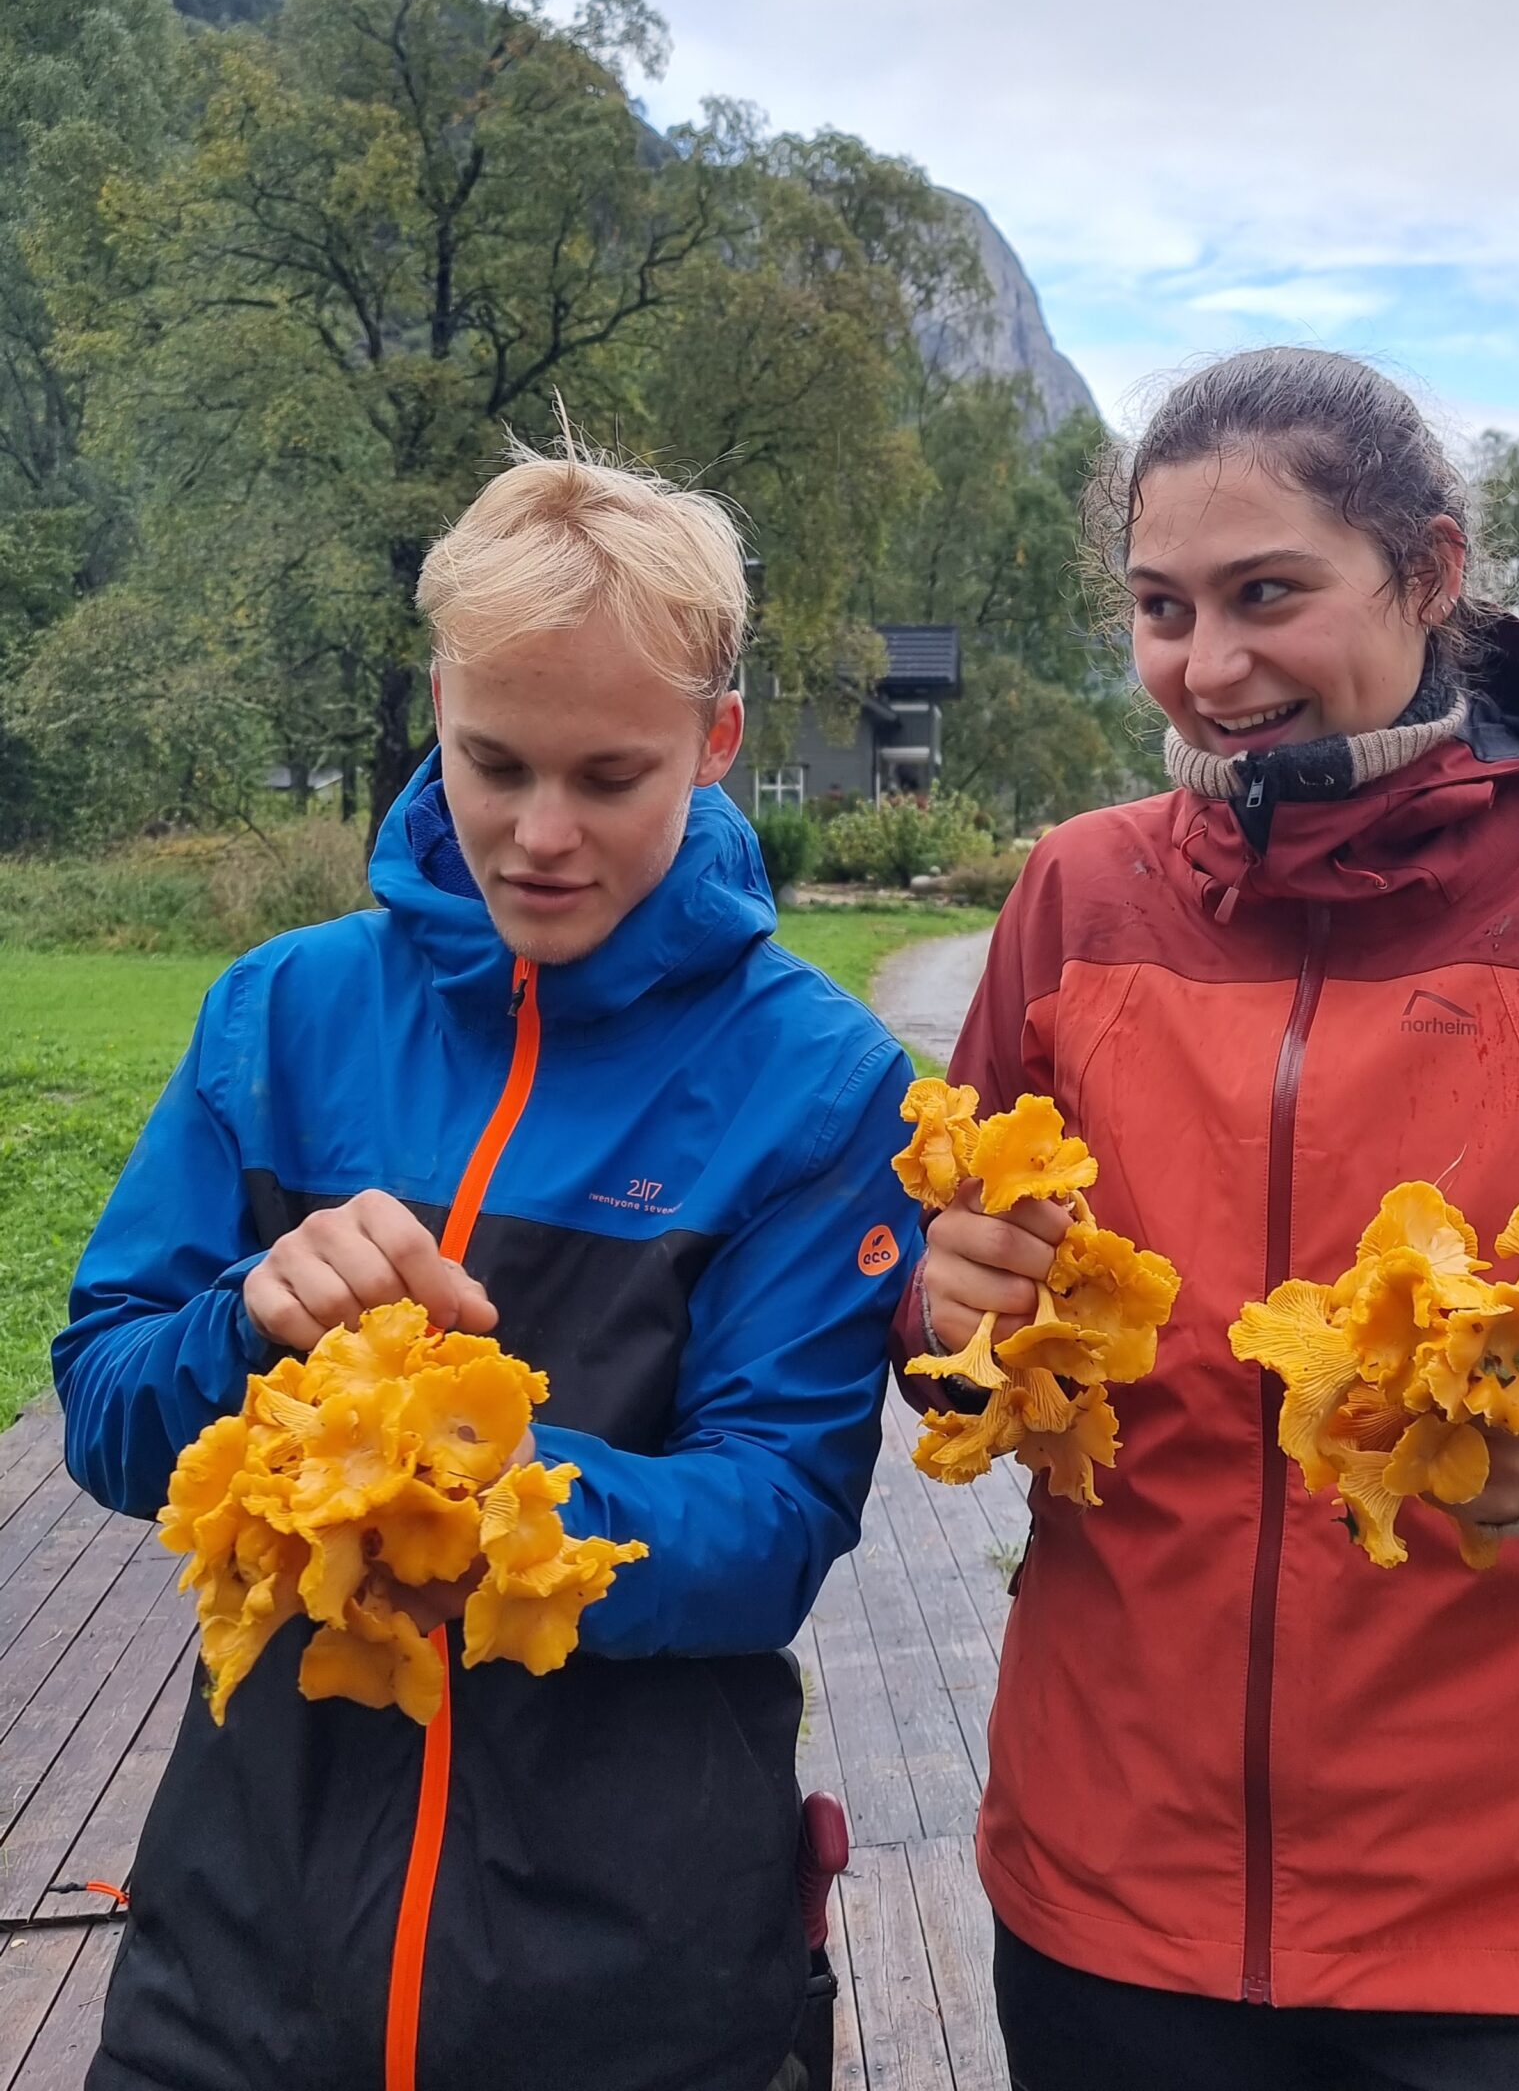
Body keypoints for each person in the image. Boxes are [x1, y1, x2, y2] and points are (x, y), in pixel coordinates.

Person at [909, 347, 1519, 2091]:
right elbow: (950, 1321)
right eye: (1161, 607)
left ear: (1432, 574)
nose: (1208, 667)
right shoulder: (1080, 894)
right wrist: (942, 1319)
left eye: (1267, 595)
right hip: (1108, 1911)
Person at [57, 444, 916, 2091]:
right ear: (438, 703)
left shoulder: (816, 1082)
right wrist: (245, 1323)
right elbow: (104, 1406)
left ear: (715, 744)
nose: (540, 835)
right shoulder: (283, 1013)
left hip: (636, 1980)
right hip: (241, 1958)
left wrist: (506, 1512)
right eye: (492, 760)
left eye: (609, 776)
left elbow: (779, 1520)